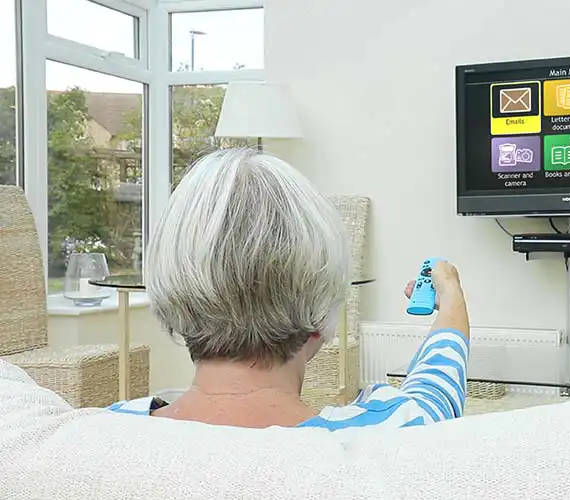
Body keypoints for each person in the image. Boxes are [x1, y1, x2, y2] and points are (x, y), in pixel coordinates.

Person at [108, 148, 470, 430]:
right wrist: (451, 295)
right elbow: (437, 387)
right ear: (321, 315)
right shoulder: (397, 431)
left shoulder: (102, 433)